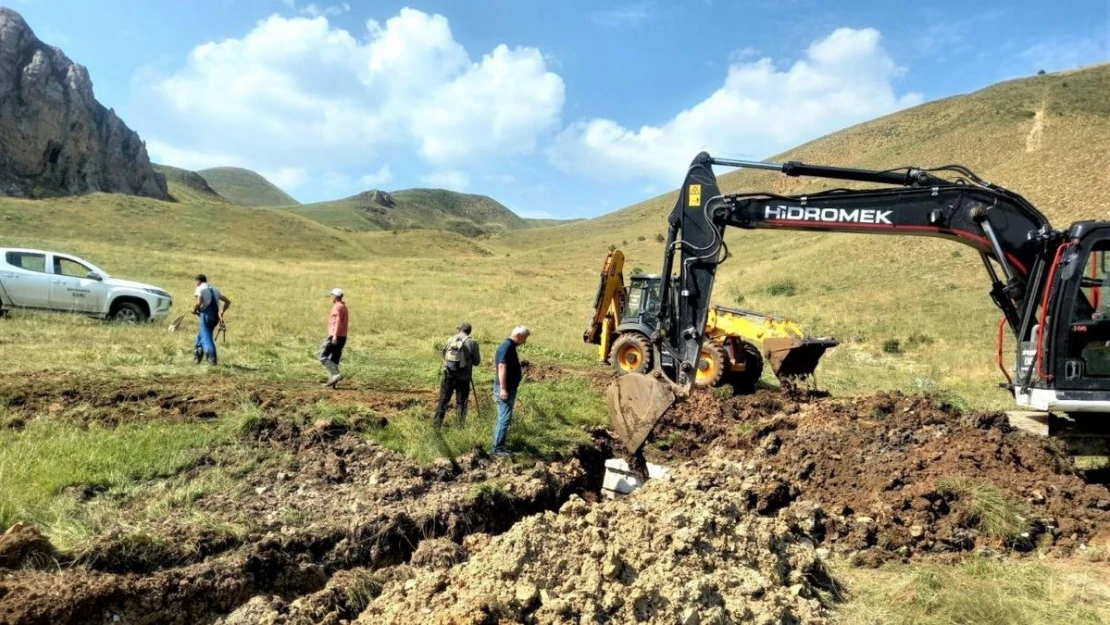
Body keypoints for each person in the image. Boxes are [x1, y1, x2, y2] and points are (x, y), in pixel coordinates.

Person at [492, 325, 530, 457]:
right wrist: (503, 388)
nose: (524, 342)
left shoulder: (510, 346)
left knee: (503, 416)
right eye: (524, 338)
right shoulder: (506, 347)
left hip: (508, 387)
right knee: (504, 417)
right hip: (505, 388)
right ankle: (498, 448)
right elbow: (501, 367)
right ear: (519, 335)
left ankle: (498, 445)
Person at [434, 321, 481, 426]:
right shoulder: (472, 342)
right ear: (469, 331)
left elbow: (444, 354)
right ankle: (459, 428)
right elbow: (477, 362)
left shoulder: (451, 339)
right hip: (464, 378)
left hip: (448, 375)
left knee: (443, 401)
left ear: (460, 329)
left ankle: (436, 426)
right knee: (462, 403)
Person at [193, 274, 230, 365]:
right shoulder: (214, 289)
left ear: (199, 281)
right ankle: (197, 356)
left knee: (206, 337)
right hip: (215, 317)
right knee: (202, 334)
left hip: (206, 316)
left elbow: (199, 303)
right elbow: (227, 301)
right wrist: (221, 313)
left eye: (196, 282)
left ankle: (212, 358)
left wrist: (194, 311)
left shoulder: (200, 288)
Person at [319, 287, 349, 388]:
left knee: (322, 357)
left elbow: (338, 322)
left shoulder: (337, 307)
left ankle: (336, 374)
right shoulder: (344, 307)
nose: (331, 297)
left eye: (332, 295)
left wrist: (334, 336)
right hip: (343, 336)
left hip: (335, 336)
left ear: (336, 296)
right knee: (335, 359)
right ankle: (333, 384)